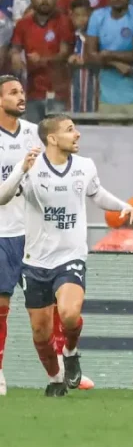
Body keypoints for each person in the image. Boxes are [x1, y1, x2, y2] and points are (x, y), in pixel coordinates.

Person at [0, 114, 133, 396]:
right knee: (40, 333)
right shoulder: (31, 167)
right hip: (35, 261)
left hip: (71, 256)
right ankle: (55, 378)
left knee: (68, 313)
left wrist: (123, 206)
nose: (77, 134)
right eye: (70, 130)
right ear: (52, 138)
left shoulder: (85, 166)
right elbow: (2, 197)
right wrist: (20, 170)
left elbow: (97, 194)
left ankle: (71, 350)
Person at [0, 76, 40, 396]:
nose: (21, 96)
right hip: (2, 233)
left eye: (22, 91)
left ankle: (61, 371)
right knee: (1, 305)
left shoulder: (33, 133)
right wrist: (22, 169)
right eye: (13, 93)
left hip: (34, 234)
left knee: (45, 309)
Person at [10, 0, 74, 122]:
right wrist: (15, 56)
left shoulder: (64, 21)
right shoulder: (23, 24)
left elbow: (64, 53)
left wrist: (43, 60)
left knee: (56, 137)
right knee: (32, 137)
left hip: (58, 91)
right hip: (31, 91)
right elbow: (15, 48)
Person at [68, 0, 98, 114]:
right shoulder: (72, 37)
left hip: (93, 87)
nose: (81, 19)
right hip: (74, 89)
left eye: (85, 15)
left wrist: (86, 60)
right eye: (77, 15)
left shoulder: (96, 38)